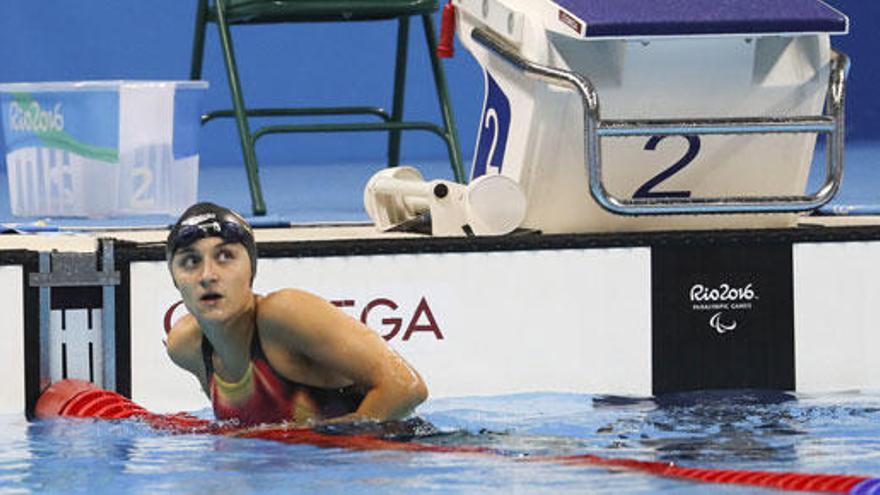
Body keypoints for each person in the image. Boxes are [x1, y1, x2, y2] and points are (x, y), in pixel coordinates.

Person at [164, 202, 427, 427]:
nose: (208, 275)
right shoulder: (187, 346)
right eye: (190, 261)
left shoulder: (282, 315)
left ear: (251, 270)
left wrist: (320, 442)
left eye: (225, 256)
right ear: (175, 279)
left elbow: (405, 388)